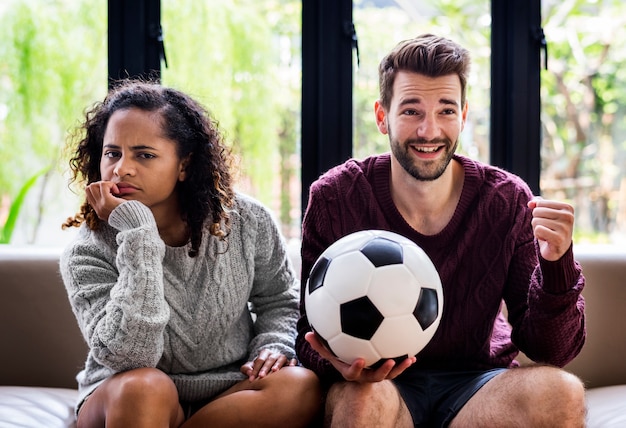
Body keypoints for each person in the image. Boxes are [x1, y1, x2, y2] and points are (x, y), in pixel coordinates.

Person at [295, 34, 586, 427]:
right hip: (381, 386)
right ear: (383, 117)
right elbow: (308, 337)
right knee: (361, 404)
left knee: (563, 392)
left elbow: (553, 350)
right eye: (412, 111)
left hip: (479, 385)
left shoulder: (506, 200)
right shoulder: (335, 197)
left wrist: (557, 265)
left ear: (463, 115)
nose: (429, 131)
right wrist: (341, 366)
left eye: (446, 111)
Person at [60, 80, 321, 428]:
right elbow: (129, 357)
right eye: (112, 153)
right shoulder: (87, 251)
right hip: (125, 394)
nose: (122, 168)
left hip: (227, 391)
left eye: (144, 155)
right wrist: (138, 233)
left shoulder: (249, 222)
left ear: (184, 164)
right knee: (146, 389)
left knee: (300, 386)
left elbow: (278, 301)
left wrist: (272, 345)